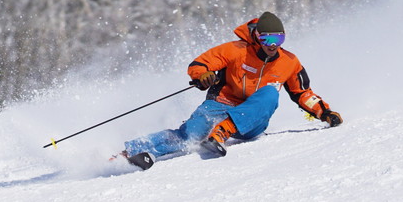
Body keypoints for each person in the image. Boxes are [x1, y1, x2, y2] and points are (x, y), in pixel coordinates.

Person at [122, 12, 342, 166]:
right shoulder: (236, 50)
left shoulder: (290, 62)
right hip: (220, 104)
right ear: (257, 36)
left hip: (251, 120)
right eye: (267, 38)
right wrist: (203, 76)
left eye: (278, 38)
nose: (272, 44)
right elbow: (199, 65)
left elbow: (302, 93)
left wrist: (325, 112)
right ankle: (130, 153)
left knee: (269, 94)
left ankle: (222, 132)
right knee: (190, 133)